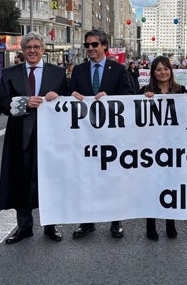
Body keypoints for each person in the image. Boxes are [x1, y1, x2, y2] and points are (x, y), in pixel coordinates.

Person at [0, 32, 68, 244]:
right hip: (20, 137)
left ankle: (51, 226)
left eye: (37, 46)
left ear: (43, 49)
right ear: (23, 50)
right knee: (21, 181)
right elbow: (2, 102)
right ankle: (24, 226)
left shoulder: (58, 73)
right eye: (28, 47)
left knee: (50, 181)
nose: (33, 50)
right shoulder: (10, 73)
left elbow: (70, 101)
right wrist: (24, 103)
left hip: (51, 138)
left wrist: (60, 97)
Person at [69, 29, 134, 239]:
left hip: (111, 134)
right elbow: (68, 94)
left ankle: (116, 220)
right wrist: (71, 95)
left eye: (94, 45)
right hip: (86, 135)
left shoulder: (117, 69)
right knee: (87, 178)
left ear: (104, 46)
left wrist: (110, 97)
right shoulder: (78, 70)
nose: (90, 49)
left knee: (112, 178)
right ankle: (87, 221)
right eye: (87, 45)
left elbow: (128, 96)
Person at [140, 56, 187, 240]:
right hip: (151, 148)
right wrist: (142, 100)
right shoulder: (144, 91)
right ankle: (150, 224)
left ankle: (171, 222)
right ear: (153, 73)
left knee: (172, 185)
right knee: (152, 186)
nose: (163, 72)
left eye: (166, 69)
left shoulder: (181, 91)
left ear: (171, 71)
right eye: (159, 69)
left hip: (173, 146)